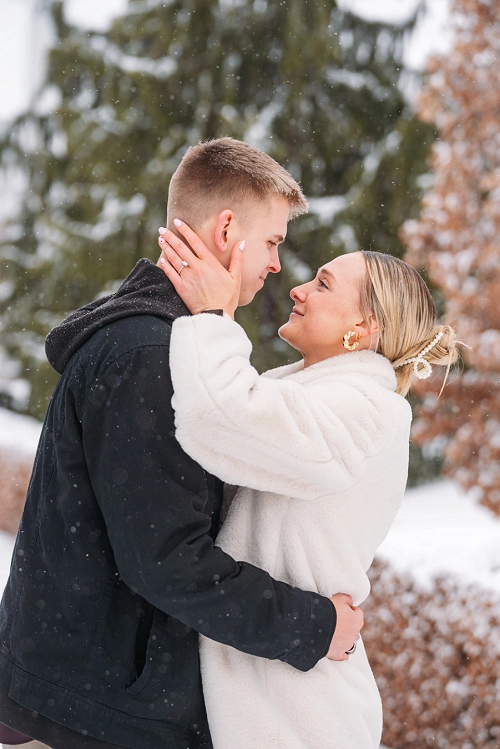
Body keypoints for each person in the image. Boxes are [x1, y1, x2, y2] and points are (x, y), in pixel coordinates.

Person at [0, 138, 363, 749]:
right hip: (89, 713)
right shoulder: (152, 357)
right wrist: (315, 626)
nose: (278, 264)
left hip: (86, 696)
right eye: (272, 241)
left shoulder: (159, 345)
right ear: (227, 230)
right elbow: (166, 561)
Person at [156, 222, 461, 749]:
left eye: (322, 284)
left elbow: (221, 417)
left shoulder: (369, 411)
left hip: (300, 715)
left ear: (364, 326)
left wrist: (212, 315)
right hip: (268, 689)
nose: (298, 289)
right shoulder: (307, 392)